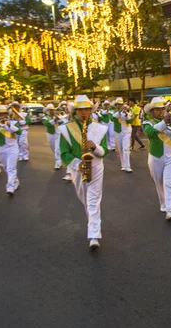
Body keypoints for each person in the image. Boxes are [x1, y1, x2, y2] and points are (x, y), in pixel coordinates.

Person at [59, 95, 109, 249]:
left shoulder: (99, 128)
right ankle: (92, 222)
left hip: (96, 166)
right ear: (75, 111)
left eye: (86, 109)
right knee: (85, 199)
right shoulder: (66, 129)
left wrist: (95, 147)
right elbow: (64, 153)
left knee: (93, 200)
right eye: (80, 110)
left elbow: (104, 151)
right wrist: (77, 164)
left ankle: (94, 235)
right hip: (77, 169)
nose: (84, 112)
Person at [143, 97, 171, 220]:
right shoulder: (147, 123)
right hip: (155, 157)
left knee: (169, 183)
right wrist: (164, 123)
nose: (160, 112)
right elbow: (150, 133)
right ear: (152, 111)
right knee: (159, 182)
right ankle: (163, 203)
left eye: (162, 109)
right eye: (157, 110)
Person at [0, 106, 22, 196]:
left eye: (3, 114)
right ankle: (15, 181)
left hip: (12, 147)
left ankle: (10, 187)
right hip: (1, 148)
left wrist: (9, 125)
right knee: (6, 167)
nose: (2, 116)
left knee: (11, 168)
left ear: (6, 115)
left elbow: (19, 132)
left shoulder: (13, 122)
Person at [112, 97, 134, 172]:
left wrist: (126, 114)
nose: (119, 106)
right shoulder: (113, 111)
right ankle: (123, 165)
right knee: (120, 149)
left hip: (127, 131)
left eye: (121, 104)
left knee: (126, 148)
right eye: (118, 104)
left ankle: (128, 166)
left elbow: (130, 120)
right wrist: (119, 112)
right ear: (116, 105)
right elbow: (112, 118)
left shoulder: (128, 110)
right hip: (118, 132)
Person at [43, 104, 66, 170]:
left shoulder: (57, 115)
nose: (52, 111)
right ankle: (58, 158)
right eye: (51, 110)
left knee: (57, 148)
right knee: (53, 147)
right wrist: (54, 120)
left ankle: (58, 162)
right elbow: (47, 124)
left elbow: (62, 123)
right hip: (50, 133)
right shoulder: (45, 117)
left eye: (53, 110)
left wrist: (59, 120)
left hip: (58, 133)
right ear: (48, 111)